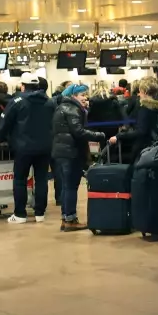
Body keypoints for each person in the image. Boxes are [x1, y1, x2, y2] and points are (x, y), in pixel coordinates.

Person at [52, 84, 113, 231]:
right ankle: (71, 219)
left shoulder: (61, 107)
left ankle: (66, 218)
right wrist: (99, 135)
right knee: (71, 187)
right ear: (73, 96)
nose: (85, 98)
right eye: (82, 95)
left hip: (61, 151)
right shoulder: (73, 109)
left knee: (66, 187)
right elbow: (78, 131)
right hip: (71, 152)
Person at [0, 72, 54, 224]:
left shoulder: (17, 101)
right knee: (41, 179)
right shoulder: (49, 102)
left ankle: (20, 214)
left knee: (20, 179)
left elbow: (4, 123)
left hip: (23, 147)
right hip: (45, 147)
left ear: (22, 86)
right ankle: (40, 213)